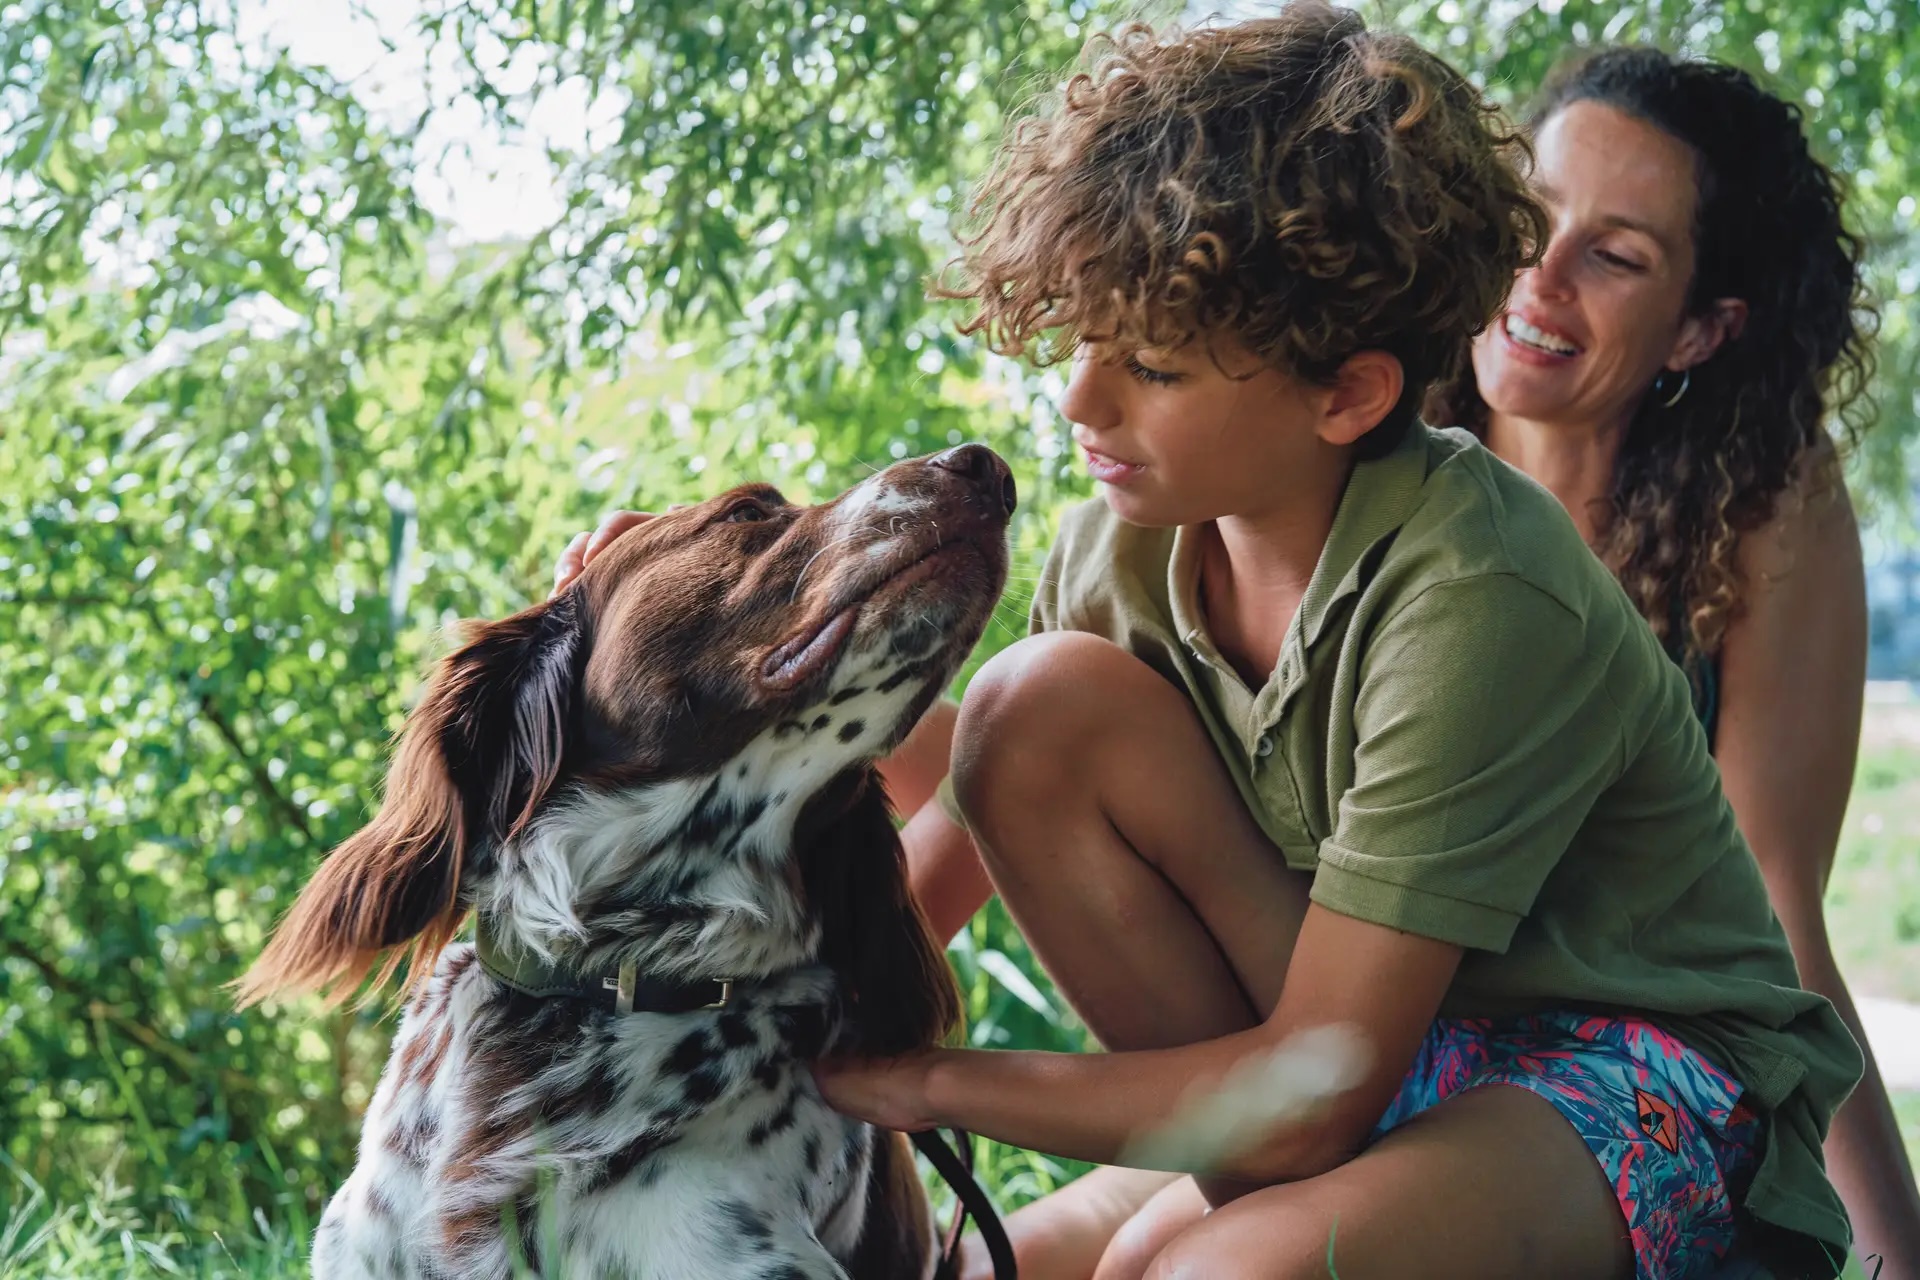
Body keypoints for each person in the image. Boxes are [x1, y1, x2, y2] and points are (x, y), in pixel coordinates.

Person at [554, 8, 1864, 1276]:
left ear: (1348, 393)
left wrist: (931, 1085)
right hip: (1386, 1052)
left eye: (1157, 369)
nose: (1078, 399)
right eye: (1083, 338)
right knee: (1031, 707)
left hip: (1637, 1073)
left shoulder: (1481, 586)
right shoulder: (1116, 556)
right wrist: (635, 766)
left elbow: (1314, 1085)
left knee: (1212, 1272)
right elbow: (897, 922)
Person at [1426, 47, 1920, 1274]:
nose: (1539, 278)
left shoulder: (1765, 505)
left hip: (1651, 1084)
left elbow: (1773, 905)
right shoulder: (1372, 434)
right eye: (1534, 217)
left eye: (1616, 254)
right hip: (1386, 1051)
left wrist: (1899, 1252)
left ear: (1702, 328)